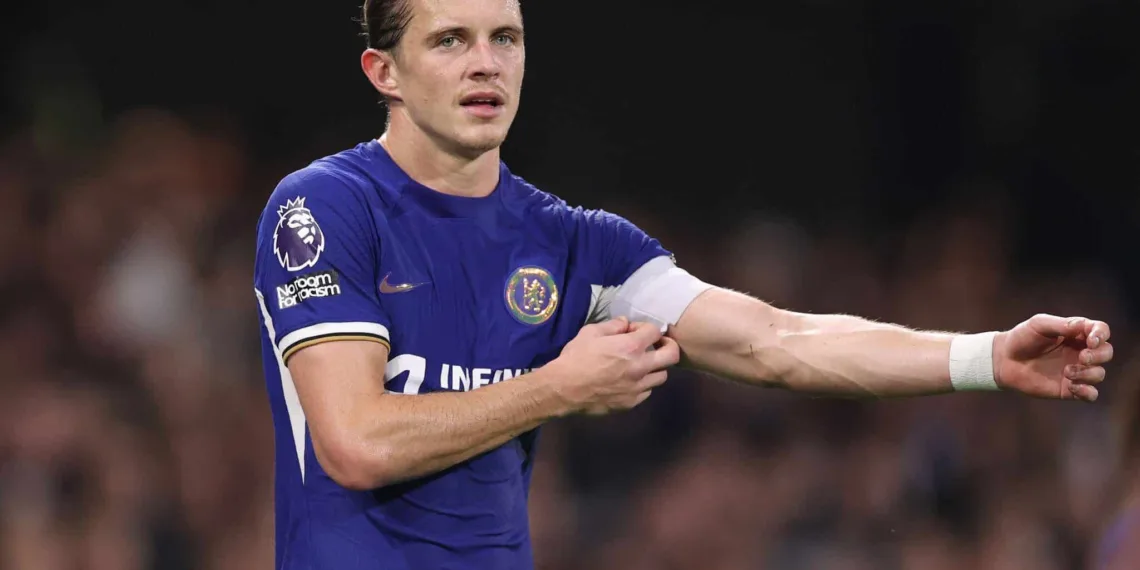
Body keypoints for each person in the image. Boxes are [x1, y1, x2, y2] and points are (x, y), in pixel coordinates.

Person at [251, 0, 1115, 568]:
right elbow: (356, 442)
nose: (487, 64)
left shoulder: (576, 244)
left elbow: (774, 341)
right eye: (450, 40)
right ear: (384, 73)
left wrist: (984, 356)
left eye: (505, 38)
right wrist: (554, 388)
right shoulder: (327, 208)